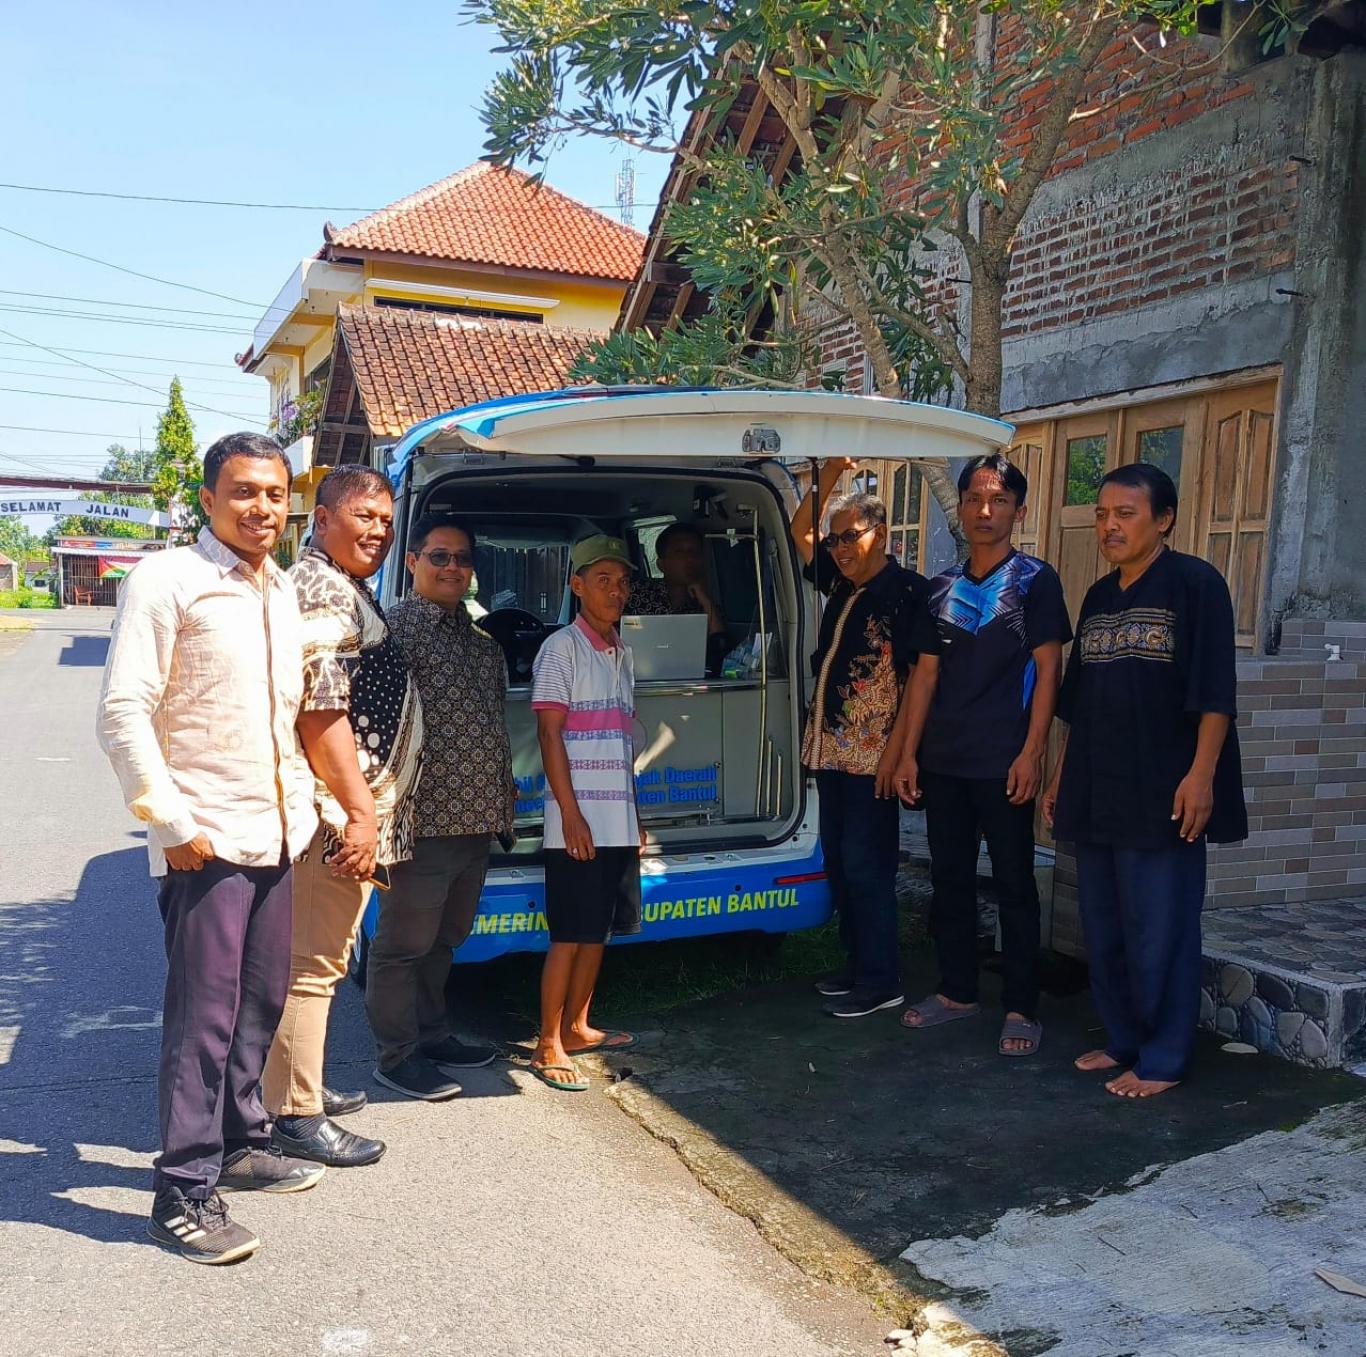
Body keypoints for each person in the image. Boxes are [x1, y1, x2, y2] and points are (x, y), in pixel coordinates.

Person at [98, 432, 322, 1266]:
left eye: (275, 493)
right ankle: (183, 1189)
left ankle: (238, 1141)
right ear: (207, 499)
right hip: (205, 838)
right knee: (204, 1018)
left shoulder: (280, 589)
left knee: (260, 1000)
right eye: (244, 491)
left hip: (275, 832)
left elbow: (285, 716)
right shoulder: (167, 579)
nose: (262, 507)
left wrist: (312, 809)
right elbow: (123, 710)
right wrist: (170, 821)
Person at [1043, 463, 1247, 1098]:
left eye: (1125, 514)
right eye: (1102, 514)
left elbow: (1215, 693)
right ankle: (1124, 1039)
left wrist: (1201, 777)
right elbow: (1078, 703)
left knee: (1161, 930)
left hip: (1164, 791)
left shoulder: (1196, 585)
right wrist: (1060, 776)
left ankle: (1162, 1058)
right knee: (1104, 927)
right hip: (1097, 787)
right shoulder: (1099, 597)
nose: (1110, 525)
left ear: (1164, 520)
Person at [263, 464, 424, 1164]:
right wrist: (359, 814)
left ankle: (298, 1082)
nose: (378, 530)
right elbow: (320, 708)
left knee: (316, 960)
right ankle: (294, 1114)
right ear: (322, 519)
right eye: (363, 515)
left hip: (344, 809)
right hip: (334, 816)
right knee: (311, 964)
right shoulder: (325, 588)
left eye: (386, 520)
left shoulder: (340, 584)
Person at [891, 454, 1071, 1056]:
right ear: (961, 507)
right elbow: (923, 677)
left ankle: (1021, 1006)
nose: (984, 510)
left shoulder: (1035, 581)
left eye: (998, 500)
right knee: (950, 879)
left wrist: (1032, 752)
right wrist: (908, 754)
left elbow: (1049, 671)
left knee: (1015, 882)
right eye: (973, 498)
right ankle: (956, 991)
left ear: (1018, 510)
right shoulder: (940, 587)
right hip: (944, 760)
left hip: (1004, 761)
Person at [367, 514, 512, 1100]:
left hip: (475, 822)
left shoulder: (480, 643)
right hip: (419, 824)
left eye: (463, 558)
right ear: (412, 562)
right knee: (403, 946)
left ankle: (432, 1035)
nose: (453, 567)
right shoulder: (391, 634)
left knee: (444, 940)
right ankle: (397, 1056)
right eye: (439, 556)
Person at [790, 464, 938, 1018]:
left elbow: (919, 678)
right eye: (836, 540)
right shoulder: (841, 584)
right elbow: (800, 531)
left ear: (882, 534)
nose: (840, 549)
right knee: (839, 860)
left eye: (851, 537)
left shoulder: (907, 592)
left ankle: (881, 979)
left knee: (867, 865)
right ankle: (857, 965)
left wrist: (900, 754)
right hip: (831, 752)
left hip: (874, 757)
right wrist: (830, 471)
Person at [528, 534, 644, 1090]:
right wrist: (570, 815)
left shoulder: (622, 653)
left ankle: (576, 1026)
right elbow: (549, 734)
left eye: (622, 582)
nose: (615, 591)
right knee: (570, 932)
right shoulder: (561, 648)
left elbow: (623, 743)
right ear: (577, 586)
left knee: (598, 930)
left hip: (617, 819)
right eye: (603, 581)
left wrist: (635, 817)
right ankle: (547, 1043)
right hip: (577, 821)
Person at [628, 522, 727, 675]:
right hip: (637, 680)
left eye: (694, 552)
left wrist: (705, 599)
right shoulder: (636, 593)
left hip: (689, 682)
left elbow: (721, 647)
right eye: (679, 552)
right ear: (661, 564)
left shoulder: (705, 604)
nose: (690, 558)